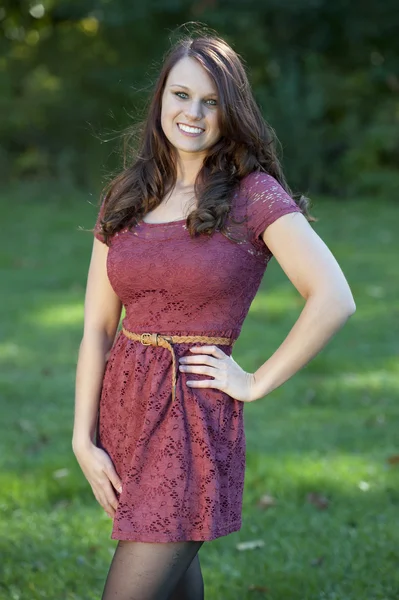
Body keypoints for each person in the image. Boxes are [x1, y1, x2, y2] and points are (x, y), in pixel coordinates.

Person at [72, 30, 356, 600]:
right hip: (125, 412)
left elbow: (334, 296)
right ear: (160, 101)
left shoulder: (255, 196)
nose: (193, 113)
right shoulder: (126, 195)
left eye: (211, 101)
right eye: (180, 95)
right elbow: (98, 327)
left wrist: (252, 380)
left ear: (232, 112)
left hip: (192, 418)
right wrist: (83, 438)